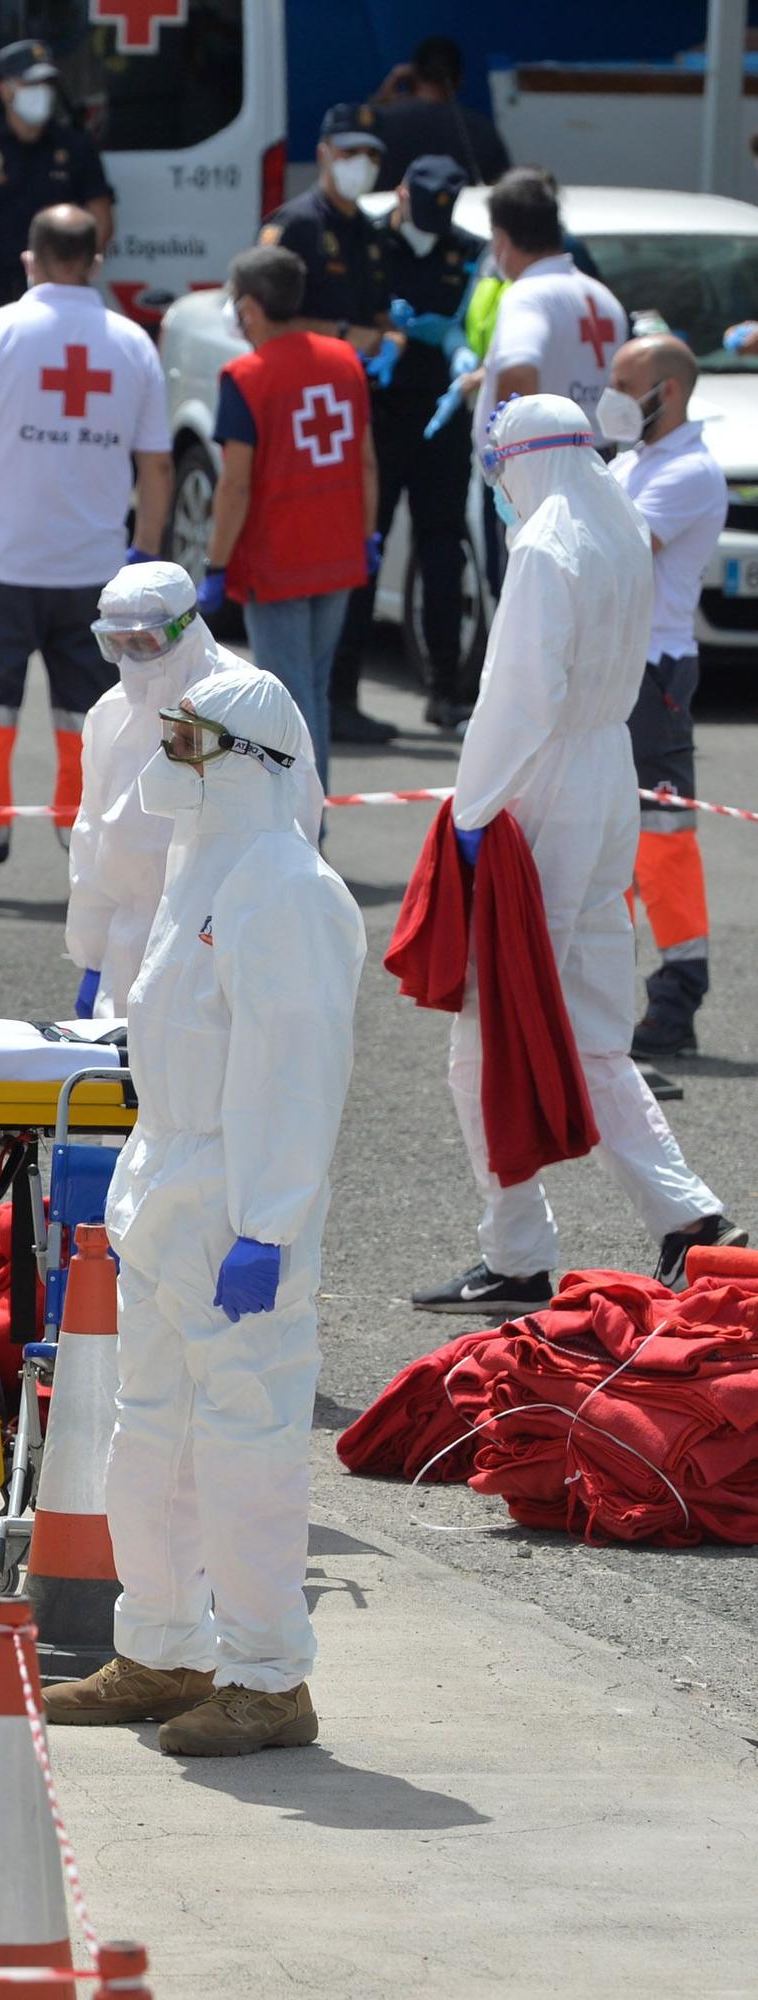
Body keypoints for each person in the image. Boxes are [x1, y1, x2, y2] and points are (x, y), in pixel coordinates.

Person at [45, 666, 366, 1754]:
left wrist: (267, 1224)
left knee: (247, 1444)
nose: (166, 759)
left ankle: (268, 1676)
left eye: (187, 741)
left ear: (242, 759)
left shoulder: (285, 887)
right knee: (147, 1438)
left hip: (238, 1201)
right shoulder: (201, 872)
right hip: (170, 1186)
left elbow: (295, 1069)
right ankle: (162, 1647)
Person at [413, 397, 744, 1318]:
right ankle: (689, 1218)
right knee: (595, 1027)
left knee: (485, 1031)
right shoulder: (619, 527)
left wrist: (471, 808)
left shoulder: (546, 543)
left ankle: (515, 1251)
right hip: (606, 773)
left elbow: (517, 693)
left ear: (521, 458)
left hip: (545, 783)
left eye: (499, 465)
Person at [0, 204, 172, 904]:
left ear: (29, 259)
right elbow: (157, 467)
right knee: (99, 727)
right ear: (96, 261)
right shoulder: (132, 344)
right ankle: (107, 866)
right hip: (97, 577)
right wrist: (144, 554)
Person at [68, 561, 325, 1019]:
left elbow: (294, 822)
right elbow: (93, 839)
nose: (131, 659)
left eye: (145, 641)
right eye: (115, 644)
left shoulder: (250, 707)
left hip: (219, 940)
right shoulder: (109, 714)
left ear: (186, 627)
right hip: (129, 945)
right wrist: (91, 952)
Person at [201, 245, 376, 791]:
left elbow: (235, 484)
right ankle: (310, 819)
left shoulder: (246, 376)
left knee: (285, 695)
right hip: (339, 551)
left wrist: (215, 563)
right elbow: (367, 460)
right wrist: (368, 535)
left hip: (276, 560)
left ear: (250, 307)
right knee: (314, 689)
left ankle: (299, 824)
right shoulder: (345, 360)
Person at [602, 334, 727, 1059]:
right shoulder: (640, 460)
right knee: (611, 835)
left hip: (652, 676)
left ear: (667, 391)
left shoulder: (686, 471)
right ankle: (607, 988)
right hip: (623, 671)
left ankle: (676, 998)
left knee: (661, 842)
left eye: (625, 381)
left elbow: (612, 549)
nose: (611, 393)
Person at [261, 104, 396, 746]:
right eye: (350, 154)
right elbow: (265, 317)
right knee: (287, 668)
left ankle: (343, 694)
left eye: (370, 154)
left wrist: (387, 337)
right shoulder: (295, 226)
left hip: (357, 403)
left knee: (341, 583)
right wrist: (345, 336)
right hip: (304, 407)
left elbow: (379, 312)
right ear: (323, 155)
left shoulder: (370, 232)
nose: (360, 166)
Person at [334, 156, 483, 735]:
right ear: (400, 196)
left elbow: (473, 323)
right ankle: (341, 692)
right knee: (364, 548)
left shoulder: (467, 250)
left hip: (440, 417)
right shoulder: (367, 243)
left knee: (443, 551)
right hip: (377, 413)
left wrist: (454, 341)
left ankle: (446, 691)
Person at [0, 39, 113, 344]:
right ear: (5, 91)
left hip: (60, 296)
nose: (41, 92)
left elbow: (102, 220)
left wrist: (77, 272)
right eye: (30, 83)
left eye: (46, 83)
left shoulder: (76, 148)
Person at [472, 169, 626, 452]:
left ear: (502, 238)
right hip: (597, 457)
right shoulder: (603, 298)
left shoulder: (528, 295)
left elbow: (517, 374)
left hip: (544, 472)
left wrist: (514, 460)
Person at [370, 34, 511, 190]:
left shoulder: (380, 123)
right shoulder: (483, 129)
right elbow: (502, 188)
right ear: (459, 80)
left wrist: (381, 98)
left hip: (396, 211)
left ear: (413, 75)